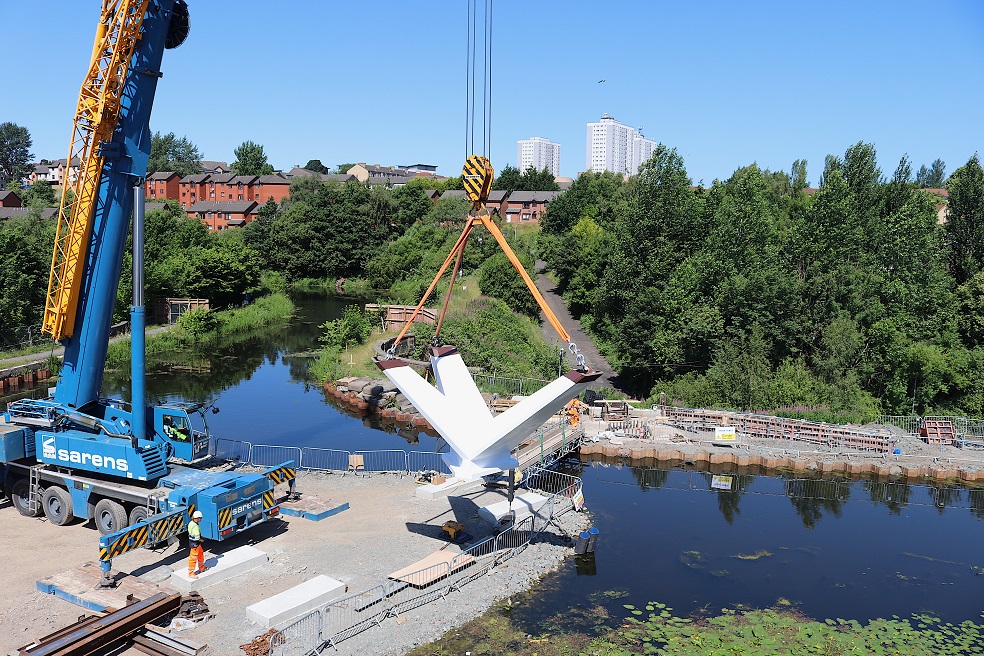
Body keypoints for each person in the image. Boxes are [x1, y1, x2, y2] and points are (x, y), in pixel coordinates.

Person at [187, 510, 207, 577]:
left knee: (200, 554)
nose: (201, 519)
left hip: (195, 544)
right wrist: (202, 540)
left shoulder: (191, 523)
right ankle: (191, 573)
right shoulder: (195, 527)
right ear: (197, 518)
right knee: (193, 559)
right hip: (195, 544)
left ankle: (202, 568)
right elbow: (197, 537)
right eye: (200, 518)